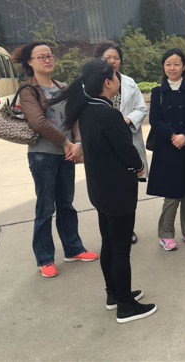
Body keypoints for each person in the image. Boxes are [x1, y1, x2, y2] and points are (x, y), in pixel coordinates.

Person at [50, 58, 157, 324]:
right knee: (121, 249)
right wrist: (139, 167)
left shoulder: (87, 109)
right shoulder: (107, 113)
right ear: (107, 82)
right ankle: (126, 306)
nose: (118, 79)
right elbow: (127, 152)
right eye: (116, 76)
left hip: (100, 188)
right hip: (118, 190)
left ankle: (115, 294)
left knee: (109, 243)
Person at [15, 42, 98, 279]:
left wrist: (78, 142)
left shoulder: (63, 87)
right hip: (43, 155)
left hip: (67, 154)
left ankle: (73, 249)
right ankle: (45, 258)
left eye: (50, 55)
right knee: (45, 207)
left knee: (66, 204)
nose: (47, 59)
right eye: (41, 57)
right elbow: (38, 122)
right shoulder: (28, 90)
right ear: (30, 62)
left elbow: (75, 117)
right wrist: (65, 142)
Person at [146, 49, 185, 251]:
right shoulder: (158, 92)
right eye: (168, 64)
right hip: (168, 148)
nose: (172, 68)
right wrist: (173, 136)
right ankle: (165, 234)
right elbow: (155, 120)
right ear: (163, 67)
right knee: (171, 193)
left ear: (184, 66)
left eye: (176, 64)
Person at [94, 41, 148, 245]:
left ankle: (128, 230)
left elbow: (141, 108)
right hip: (104, 145)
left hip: (126, 140)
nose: (112, 61)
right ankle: (108, 231)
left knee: (128, 189)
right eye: (108, 58)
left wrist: (126, 120)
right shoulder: (92, 84)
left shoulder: (130, 83)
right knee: (106, 190)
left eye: (116, 58)